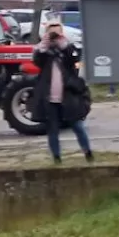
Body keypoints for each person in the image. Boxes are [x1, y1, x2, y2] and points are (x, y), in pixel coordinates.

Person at [31, 19, 93, 164]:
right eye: (52, 31)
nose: (55, 34)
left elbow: (74, 60)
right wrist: (44, 44)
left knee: (77, 126)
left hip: (68, 95)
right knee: (52, 129)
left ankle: (87, 152)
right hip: (50, 97)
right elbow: (36, 61)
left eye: (57, 31)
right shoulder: (44, 51)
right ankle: (57, 157)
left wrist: (62, 44)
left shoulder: (68, 48)